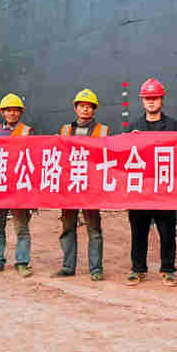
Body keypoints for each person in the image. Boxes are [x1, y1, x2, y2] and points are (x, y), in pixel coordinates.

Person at [126, 78, 177, 287]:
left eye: (155, 98)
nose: (151, 101)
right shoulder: (134, 127)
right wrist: (130, 141)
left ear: (162, 99)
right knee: (138, 231)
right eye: (147, 98)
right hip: (140, 189)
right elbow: (123, 157)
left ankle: (168, 269)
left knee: (167, 232)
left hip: (165, 188)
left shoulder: (173, 126)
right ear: (142, 101)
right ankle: (138, 269)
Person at [56, 88, 108, 281]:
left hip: (91, 187)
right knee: (68, 228)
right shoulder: (64, 130)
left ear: (94, 109)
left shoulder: (103, 130)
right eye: (82, 106)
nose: (85, 109)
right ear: (75, 108)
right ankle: (68, 267)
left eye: (89, 106)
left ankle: (96, 269)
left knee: (94, 230)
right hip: (70, 186)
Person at [0, 93, 35, 277]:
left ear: (20, 113)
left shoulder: (27, 131)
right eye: (8, 110)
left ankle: (22, 263)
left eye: (15, 110)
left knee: (22, 228)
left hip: (18, 186)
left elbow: (33, 158)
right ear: (2, 112)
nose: (12, 113)